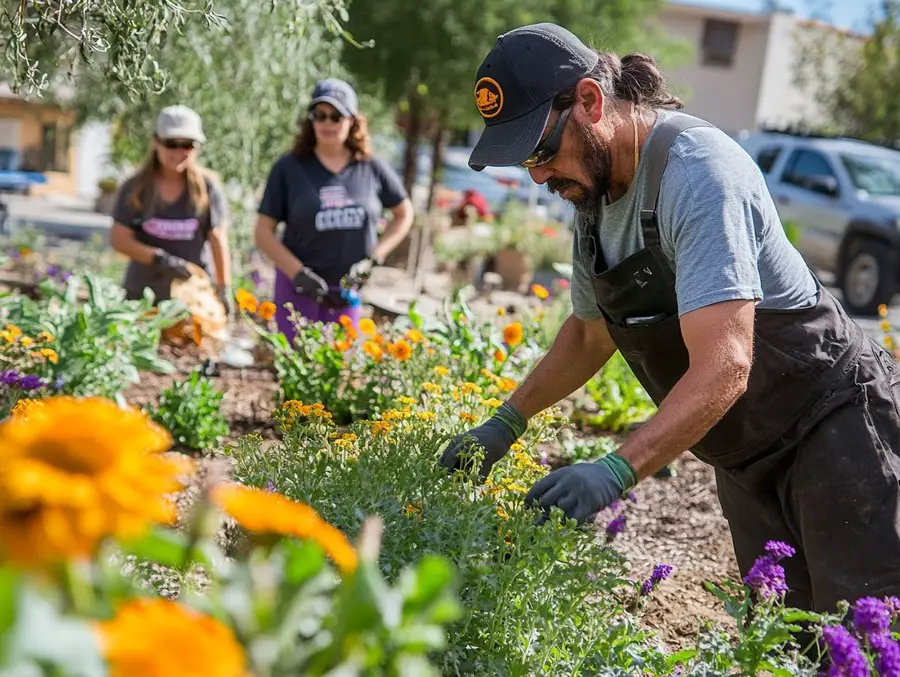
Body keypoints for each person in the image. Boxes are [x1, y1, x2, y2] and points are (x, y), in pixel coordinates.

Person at [439, 22, 900, 614]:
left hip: (837, 431)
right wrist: (506, 422)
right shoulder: (593, 197)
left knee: (869, 640)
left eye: (542, 151)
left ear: (589, 100)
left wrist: (615, 470)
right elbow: (587, 334)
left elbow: (728, 364)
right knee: (786, 644)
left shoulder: (697, 173)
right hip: (744, 457)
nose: (536, 176)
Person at [254, 78, 414, 341]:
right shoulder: (289, 168)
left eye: (336, 116)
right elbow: (263, 233)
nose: (327, 123)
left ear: (352, 120)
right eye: (320, 115)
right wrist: (298, 274)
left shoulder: (371, 167)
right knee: (297, 368)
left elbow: (404, 213)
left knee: (338, 370)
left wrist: (374, 258)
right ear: (311, 120)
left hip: (346, 293)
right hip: (298, 290)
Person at [111, 105, 232, 310]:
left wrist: (224, 288)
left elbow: (218, 239)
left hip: (193, 298)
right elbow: (119, 240)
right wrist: (161, 260)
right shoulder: (135, 188)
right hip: (143, 297)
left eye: (187, 145)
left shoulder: (207, 188)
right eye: (171, 143)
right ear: (156, 142)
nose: (178, 152)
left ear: (197, 148)